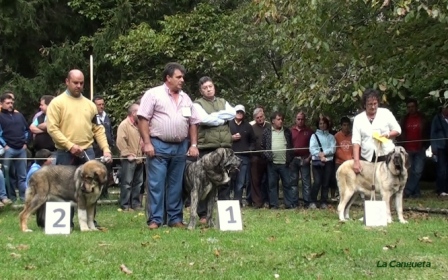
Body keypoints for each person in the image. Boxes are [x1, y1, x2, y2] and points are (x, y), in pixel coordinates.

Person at [137, 62, 200, 229]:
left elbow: (193, 123)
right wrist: (147, 143)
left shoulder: (186, 98)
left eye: (183, 77)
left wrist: (193, 144)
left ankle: (175, 219)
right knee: (156, 184)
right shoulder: (153, 94)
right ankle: (155, 220)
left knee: (176, 185)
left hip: (180, 146)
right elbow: (143, 119)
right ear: (168, 78)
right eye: (178, 77)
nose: (182, 80)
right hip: (158, 144)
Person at [46, 69, 112, 229]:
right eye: (75, 82)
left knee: (92, 188)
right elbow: (52, 129)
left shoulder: (90, 105)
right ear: (67, 82)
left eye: (81, 83)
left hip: (87, 151)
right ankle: (64, 224)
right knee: (64, 188)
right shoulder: (57, 103)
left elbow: (98, 129)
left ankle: (90, 222)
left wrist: (106, 149)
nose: (79, 86)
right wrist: (70, 145)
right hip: (64, 151)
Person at [192, 76, 235, 222]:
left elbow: (233, 113)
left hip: (225, 147)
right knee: (204, 182)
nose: (208, 89)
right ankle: (203, 215)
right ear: (201, 90)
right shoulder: (197, 104)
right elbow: (204, 119)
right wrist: (222, 118)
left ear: (214, 87)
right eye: (205, 88)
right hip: (207, 147)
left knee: (225, 181)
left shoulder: (223, 101)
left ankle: (225, 216)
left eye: (210, 86)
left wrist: (214, 116)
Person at [352, 89, 401, 174]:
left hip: (386, 155)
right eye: (370, 104)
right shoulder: (358, 119)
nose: (373, 107)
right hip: (367, 158)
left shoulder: (386, 113)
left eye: (375, 103)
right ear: (364, 105)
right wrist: (356, 161)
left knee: (386, 184)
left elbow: (398, 130)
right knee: (369, 184)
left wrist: (387, 135)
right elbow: (356, 142)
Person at [261, 111, 295, 209]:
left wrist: (290, 158)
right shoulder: (267, 132)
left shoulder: (287, 131)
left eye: (282, 119)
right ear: (273, 121)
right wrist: (268, 156)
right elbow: (262, 147)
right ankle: (274, 205)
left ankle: (289, 204)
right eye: (278, 119)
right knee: (272, 185)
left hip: (285, 163)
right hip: (272, 164)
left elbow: (291, 147)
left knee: (287, 184)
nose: (281, 121)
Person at [0, 93, 30, 202]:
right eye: (7, 103)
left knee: (22, 176)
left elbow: (26, 130)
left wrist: (25, 142)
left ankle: (24, 198)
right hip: (8, 149)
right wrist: (4, 145)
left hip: (21, 149)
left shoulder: (19, 115)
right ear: (1, 104)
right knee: (8, 175)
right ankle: (11, 198)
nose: (10, 105)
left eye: (12, 103)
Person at [399, 98, 430, 198]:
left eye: (412, 107)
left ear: (416, 107)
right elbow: (400, 133)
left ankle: (407, 191)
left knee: (418, 171)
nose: (411, 109)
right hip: (408, 149)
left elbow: (427, 133)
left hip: (420, 148)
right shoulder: (404, 119)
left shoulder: (423, 118)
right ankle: (416, 193)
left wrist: (426, 145)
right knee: (409, 171)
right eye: (409, 107)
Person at [116, 103, 144, 211]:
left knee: (138, 183)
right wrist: (127, 153)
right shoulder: (124, 124)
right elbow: (120, 141)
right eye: (139, 111)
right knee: (127, 183)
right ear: (133, 113)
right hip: (129, 159)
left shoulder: (139, 124)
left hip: (139, 158)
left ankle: (136, 204)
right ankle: (125, 205)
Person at [229, 104, 255, 207]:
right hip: (230, 157)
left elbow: (253, 141)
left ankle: (237, 202)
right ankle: (226, 202)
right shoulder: (228, 124)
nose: (239, 114)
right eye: (237, 112)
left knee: (240, 182)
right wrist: (231, 138)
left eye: (241, 112)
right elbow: (223, 138)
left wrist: (249, 150)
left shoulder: (248, 126)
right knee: (228, 181)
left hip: (244, 157)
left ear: (244, 114)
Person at [309, 117, 336, 209]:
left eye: (324, 123)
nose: (322, 125)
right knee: (317, 182)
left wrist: (324, 153)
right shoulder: (314, 136)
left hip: (328, 162)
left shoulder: (331, 137)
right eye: (320, 123)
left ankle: (324, 201)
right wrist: (320, 155)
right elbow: (312, 149)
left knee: (326, 182)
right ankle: (312, 201)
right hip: (317, 162)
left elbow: (333, 149)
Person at [290, 111, 314, 208]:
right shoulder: (290, 131)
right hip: (293, 159)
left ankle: (307, 202)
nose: (300, 121)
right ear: (295, 119)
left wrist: (309, 158)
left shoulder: (309, 132)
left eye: (302, 119)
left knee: (306, 182)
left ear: (305, 120)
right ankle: (294, 202)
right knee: (293, 182)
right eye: (298, 119)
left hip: (305, 159)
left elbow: (313, 146)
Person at [250, 108, 270, 208]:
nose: (260, 119)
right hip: (256, 158)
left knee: (268, 180)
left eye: (261, 117)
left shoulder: (270, 126)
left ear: (264, 116)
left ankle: (268, 201)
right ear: (254, 119)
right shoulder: (252, 127)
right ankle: (257, 202)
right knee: (256, 180)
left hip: (269, 158)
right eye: (257, 118)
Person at [332, 116, 353, 200]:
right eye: (344, 125)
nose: (346, 127)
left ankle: (349, 198)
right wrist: (344, 158)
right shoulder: (336, 136)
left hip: (350, 162)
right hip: (340, 162)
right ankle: (339, 197)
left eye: (348, 125)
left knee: (350, 180)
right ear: (341, 126)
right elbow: (335, 150)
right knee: (340, 181)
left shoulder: (353, 136)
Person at [430, 104, 448, 196]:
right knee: (441, 168)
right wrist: (434, 147)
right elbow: (433, 133)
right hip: (440, 147)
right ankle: (441, 189)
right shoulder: (437, 118)